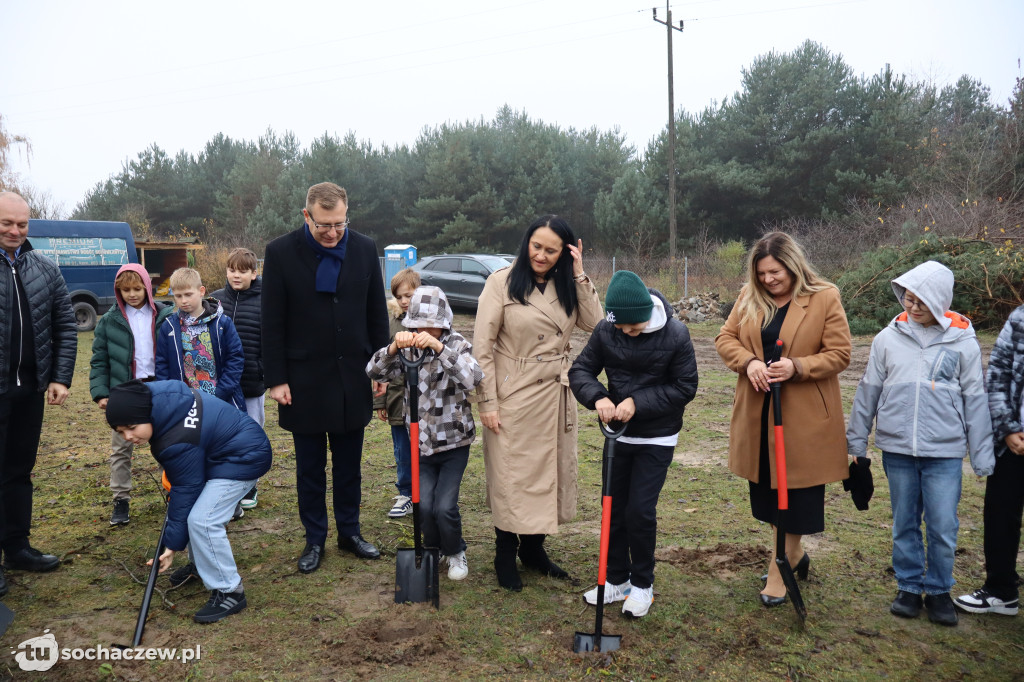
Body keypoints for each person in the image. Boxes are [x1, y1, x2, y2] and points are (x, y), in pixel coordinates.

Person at [845, 261, 994, 626]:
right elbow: (867, 394)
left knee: (943, 525)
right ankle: (909, 586)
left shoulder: (963, 343)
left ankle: (940, 590)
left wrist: (983, 455)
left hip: (944, 454)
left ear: (940, 301)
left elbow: (975, 399)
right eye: (908, 299)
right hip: (896, 451)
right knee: (904, 522)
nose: (912, 308)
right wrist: (856, 444)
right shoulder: (887, 339)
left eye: (921, 302)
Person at [715, 231, 851, 607]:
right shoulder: (749, 297)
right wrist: (750, 362)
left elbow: (840, 353)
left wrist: (798, 367)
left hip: (803, 419)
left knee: (796, 493)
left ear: (793, 265)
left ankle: (783, 563)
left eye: (774, 272)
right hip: (759, 415)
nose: (768, 280)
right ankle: (789, 553)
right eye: (761, 273)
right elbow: (726, 338)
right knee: (768, 493)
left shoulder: (824, 297)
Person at [261, 182, 389, 574]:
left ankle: (349, 532)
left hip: (352, 376)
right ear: (306, 216)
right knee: (310, 468)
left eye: (339, 224)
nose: (333, 232)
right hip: (303, 380)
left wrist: (380, 368)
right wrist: (277, 378)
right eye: (323, 226)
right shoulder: (280, 253)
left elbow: (375, 316)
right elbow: (273, 322)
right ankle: (314, 537)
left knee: (349, 465)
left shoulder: (365, 249)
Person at [473, 214, 603, 591]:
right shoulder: (500, 283)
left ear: (565, 252)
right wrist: (487, 402)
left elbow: (596, 323)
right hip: (513, 392)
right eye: (536, 246)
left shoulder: (568, 284)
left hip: (554, 394)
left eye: (552, 250)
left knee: (549, 472)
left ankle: (534, 550)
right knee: (512, 475)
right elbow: (482, 347)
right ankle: (504, 551)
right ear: (526, 242)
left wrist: (579, 274)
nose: (542, 256)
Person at [569, 270, 698, 618]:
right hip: (618, 436)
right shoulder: (605, 330)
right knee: (612, 508)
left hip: (657, 437)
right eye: (621, 327)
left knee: (639, 511)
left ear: (646, 312)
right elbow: (580, 370)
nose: (627, 332)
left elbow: (685, 387)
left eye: (633, 326)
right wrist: (597, 398)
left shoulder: (676, 333)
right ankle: (616, 580)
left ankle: (642, 585)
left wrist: (637, 402)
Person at [105, 380, 271, 624]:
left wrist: (171, 546)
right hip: (217, 456)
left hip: (244, 458)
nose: (128, 437)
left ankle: (229, 590)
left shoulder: (176, 437)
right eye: (120, 432)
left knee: (203, 520)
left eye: (131, 427)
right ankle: (202, 566)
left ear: (147, 414)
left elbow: (186, 490)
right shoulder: (167, 399)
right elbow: (185, 487)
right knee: (194, 511)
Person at [366, 286, 483, 580]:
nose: (424, 329)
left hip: (454, 443)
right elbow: (374, 372)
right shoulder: (407, 348)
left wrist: (441, 349)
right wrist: (393, 348)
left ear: (444, 322)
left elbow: (472, 378)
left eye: (432, 323)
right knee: (424, 505)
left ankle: (456, 551)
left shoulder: (457, 344)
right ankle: (433, 550)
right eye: (418, 323)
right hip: (420, 443)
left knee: (444, 506)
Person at [0, 191, 76, 595]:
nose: (15, 231)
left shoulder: (45, 270)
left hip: (29, 390)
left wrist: (60, 377)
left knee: (18, 472)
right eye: (6, 223)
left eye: (22, 224)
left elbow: (65, 327)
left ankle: (17, 547)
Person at [89, 264, 174, 525]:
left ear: (147, 287)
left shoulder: (165, 315)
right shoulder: (109, 321)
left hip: (159, 388)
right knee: (121, 448)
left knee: (169, 444)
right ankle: (121, 500)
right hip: (124, 390)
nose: (132, 294)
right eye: (126, 290)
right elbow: (99, 360)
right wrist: (101, 393)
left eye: (137, 288)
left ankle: (175, 492)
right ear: (118, 291)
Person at [955, 303, 1024, 618]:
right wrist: (1008, 427)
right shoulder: (1019, 318)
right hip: (1014, 442)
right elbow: (997, 374)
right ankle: (1001, 591)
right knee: (1000, 514)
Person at [212, 248, 266, 510]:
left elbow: (272, 341)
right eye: (232, 269)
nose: (236, 275)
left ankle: (249, 486)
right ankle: (224, 484)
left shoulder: (266, 301)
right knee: (222, 436)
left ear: (254, 273)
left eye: (243, 271)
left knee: (250, 434)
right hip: (220, 387)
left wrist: (262, 370)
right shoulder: (215, 301)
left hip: (251, 383)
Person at [372, 267, 420, 519]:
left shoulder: (429, 324)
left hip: (423, 402)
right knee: (402, 449)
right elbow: (381, 366)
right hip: (396, 401)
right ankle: (405, 492)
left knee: (422, 448)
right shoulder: (391, 323)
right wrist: (380, 401)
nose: (404, 301)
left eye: (409, 295)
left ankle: (423, 491)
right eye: (399, 296)